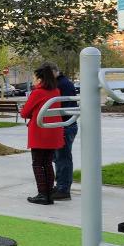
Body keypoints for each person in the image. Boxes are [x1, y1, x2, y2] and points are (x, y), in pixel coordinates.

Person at [20, 62, 65, 205]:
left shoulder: (38, 92)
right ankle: (49, 194)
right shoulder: (55, 91)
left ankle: (42, 194)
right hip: (53, 131)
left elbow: (24, 113)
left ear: (40, 77)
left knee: (38, 163)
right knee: (47, 163)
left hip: (40, 131)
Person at [53, 69, 79, 200]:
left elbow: (60, 105)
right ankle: (61, 186)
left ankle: (63, 189)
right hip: (67, 124)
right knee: (60, 157)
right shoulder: (64, 82)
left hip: (65, 124)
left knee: (62, 158)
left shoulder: (60, 84)